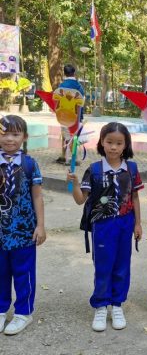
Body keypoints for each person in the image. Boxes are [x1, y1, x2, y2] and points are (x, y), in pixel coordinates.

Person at [67, 122, 143, 332]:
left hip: (125, 224)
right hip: (102, 225)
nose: (113, 147)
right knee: (103, 266)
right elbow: (80, 200)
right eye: (109, 142)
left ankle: (117, 305)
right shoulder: (94, 170)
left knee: (122, 265)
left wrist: (138, 223)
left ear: (126, 145)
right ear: (101, 142)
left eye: (119, 143)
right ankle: (101, 305)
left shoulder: (131, 169)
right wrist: (74, 184)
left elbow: (135, 197)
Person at [0, 115, 45, 335]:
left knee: (23, 272)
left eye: (15, 134)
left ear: (24, 137)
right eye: (4, 133)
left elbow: (37, 196)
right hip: (0, 232)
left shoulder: (29, 164)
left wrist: (41, 225)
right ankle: (1, 310)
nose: (9, 139)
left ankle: (23, 313)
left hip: (24, 232)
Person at [56, 64, 85, 165]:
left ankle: (64, 155)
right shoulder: (78, 86)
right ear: (74, 73)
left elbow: (57, 101)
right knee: (74, 136)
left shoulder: (61, 86)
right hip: (76, 115)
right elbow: (81, 101)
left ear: (64, 73)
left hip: (63, 116)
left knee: (65, 136)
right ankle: (73, 158)